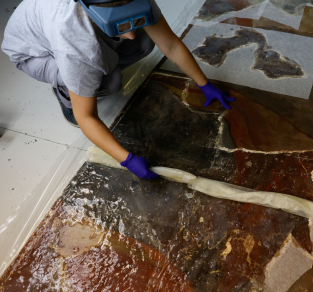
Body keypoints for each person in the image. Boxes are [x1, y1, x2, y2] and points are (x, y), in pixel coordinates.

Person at [1, 0, 235, 180]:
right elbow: (86, 116)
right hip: (33, 53)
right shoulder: (74, 39)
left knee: (143, 43)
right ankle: (66, 94)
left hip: (65, 32)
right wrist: (127, 159)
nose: (130, 34)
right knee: (109, 80)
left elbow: (170, 45)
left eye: (133, 20)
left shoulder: (132, 0)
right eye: (122, 26)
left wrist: (204, 83)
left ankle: (93, 73)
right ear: (97, 16)